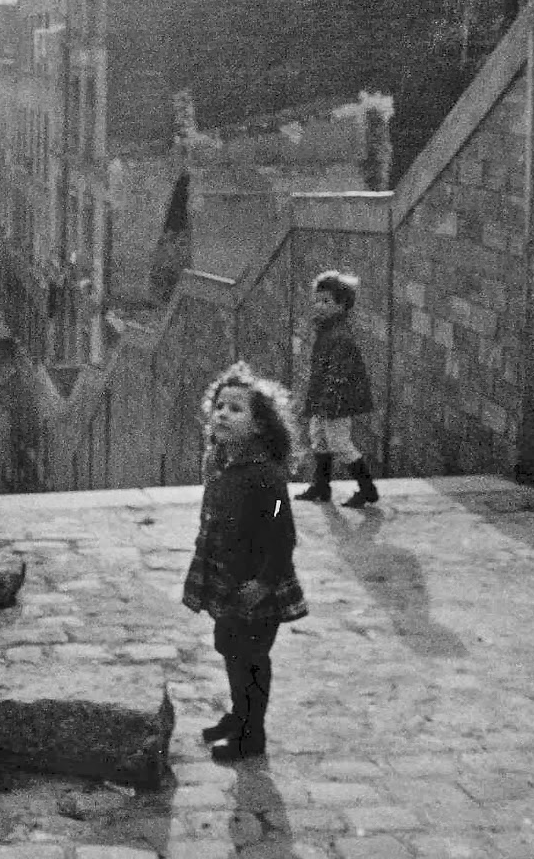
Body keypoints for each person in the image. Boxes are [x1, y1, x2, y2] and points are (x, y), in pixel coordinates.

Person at [182, 361, 307, 762]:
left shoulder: (265, 476)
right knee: (229, 646)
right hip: (229, 578)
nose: (223, 413)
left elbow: (283, 532)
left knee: (250, 658)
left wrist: (265, 582)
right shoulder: (221, 462)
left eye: (236, 409)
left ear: (258, 426)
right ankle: (239, 715)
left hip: (256, 585)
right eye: (219, 406)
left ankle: (253, 735)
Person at [296, 270, 379, 508]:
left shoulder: (340, 336)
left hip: (336, 401)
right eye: (317, 301)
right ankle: (321, 486)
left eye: (326, 301)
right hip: (325, 398)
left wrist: (328, 402)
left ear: (341, 305)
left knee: (340, 443)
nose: (319, 306)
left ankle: (367, 489)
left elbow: (340, 373)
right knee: (319, 439)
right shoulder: (327, 330)